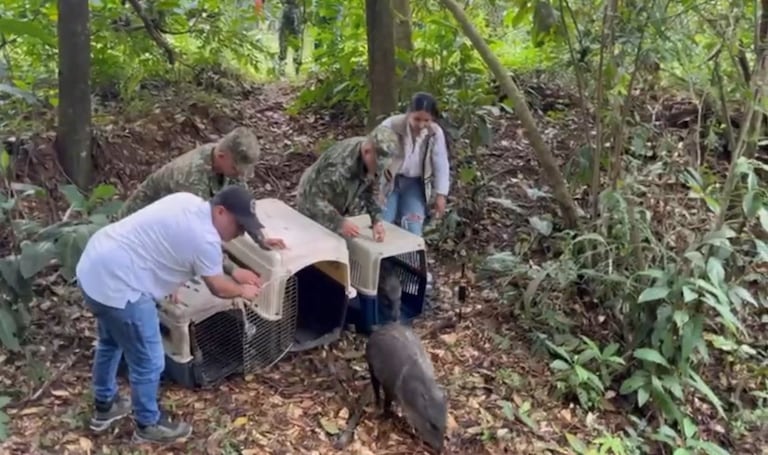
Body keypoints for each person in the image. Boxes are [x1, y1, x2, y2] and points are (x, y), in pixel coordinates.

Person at [77, 185, 267, 443]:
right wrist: (242, 290)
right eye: (239, 226)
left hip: (94, 266)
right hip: (120, 287)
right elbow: (218, 288)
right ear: (221, 212)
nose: (240, 233)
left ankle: (105, 403)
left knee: (111, 342)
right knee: (150, 360)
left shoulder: (186, 201)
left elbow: (169, 241)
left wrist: (232, 271)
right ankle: (148, 424)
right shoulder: (205, 239)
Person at [118, 126, 286, 282]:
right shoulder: (190, 178)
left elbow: (240, 203)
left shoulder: (225, 159)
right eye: (236, 169)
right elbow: (198, 233)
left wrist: (260, 238)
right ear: (222, 157)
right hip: (138, 236)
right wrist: (232, 269)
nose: (239, 175)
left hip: (171, 227)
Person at [377, 92, 452, 296]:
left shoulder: (435, 133)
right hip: (390, 182)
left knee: (413, 227)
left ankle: (413, 279)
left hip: (415, 184)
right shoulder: (390, 126)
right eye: (417, 119)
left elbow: (441, 164)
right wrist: (377, 189)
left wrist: (441, 194)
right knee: (385, 224)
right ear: (408, 113)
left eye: (426, 120)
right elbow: (375, 157)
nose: (421, 124)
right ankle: (382, 276)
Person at [296, 124, 399, 241]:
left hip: (339, 201)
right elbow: (314, 198)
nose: (378, 170)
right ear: (366, 152)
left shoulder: (373, 159)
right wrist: (339, 222)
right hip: (311, 203)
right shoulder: (338, 166)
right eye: (377, 165)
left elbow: (371, 191)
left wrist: (377, 221)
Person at [278, 0, 303, 76]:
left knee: (295, 39)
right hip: (287, 9)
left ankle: (296, 66)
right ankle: (282, 67)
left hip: (295, 10)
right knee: (284, 40)